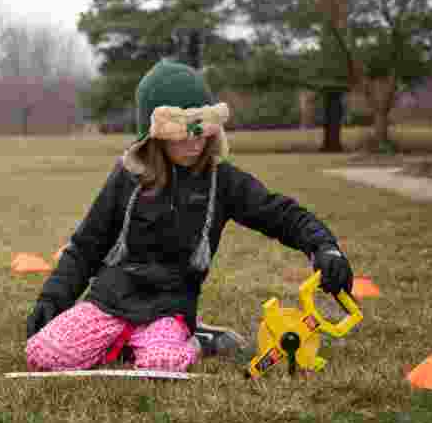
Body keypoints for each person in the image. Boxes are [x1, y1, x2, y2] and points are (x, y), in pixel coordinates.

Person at [25, 59, 353, 373]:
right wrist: (53, 298)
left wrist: (324, 247)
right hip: (111, 298)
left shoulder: (222, 180)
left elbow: (281, 214)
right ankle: (125, 341)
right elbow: (86, 246)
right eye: (184, 132)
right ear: (155, 133)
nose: (195, 142)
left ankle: (196, 341)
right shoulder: (128, 176)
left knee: (162, 363)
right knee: (45, 353)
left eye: (202, 130)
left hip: (170, 306)